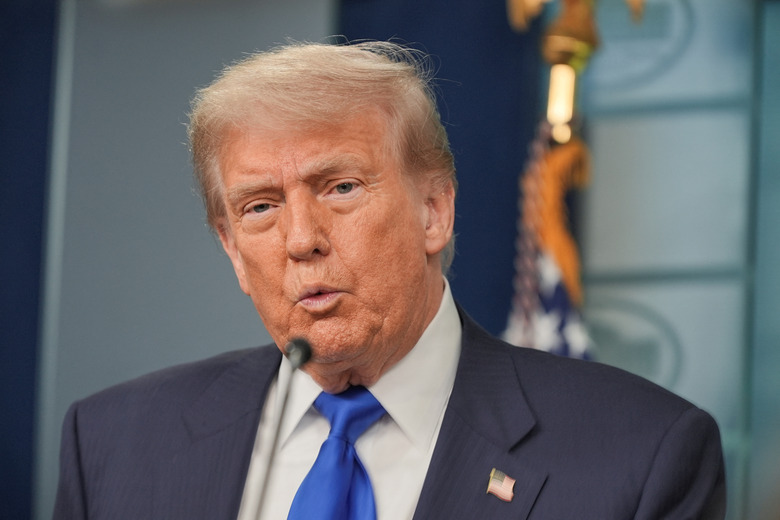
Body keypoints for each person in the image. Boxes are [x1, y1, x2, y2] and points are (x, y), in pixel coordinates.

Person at [53, 40, 726, 520]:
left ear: (435, 211)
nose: (301, 239)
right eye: (260, 207)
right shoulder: (114, 447)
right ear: (231, 250)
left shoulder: (641, 454)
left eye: (341, 187)